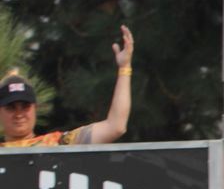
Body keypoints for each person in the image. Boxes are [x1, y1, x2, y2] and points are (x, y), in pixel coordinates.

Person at [0, 25, 134, 147]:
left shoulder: (57, 143)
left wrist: (124, 68)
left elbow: (115, 126)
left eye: (25, 106)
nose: (19, 114)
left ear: (35, 108)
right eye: (11, 107)